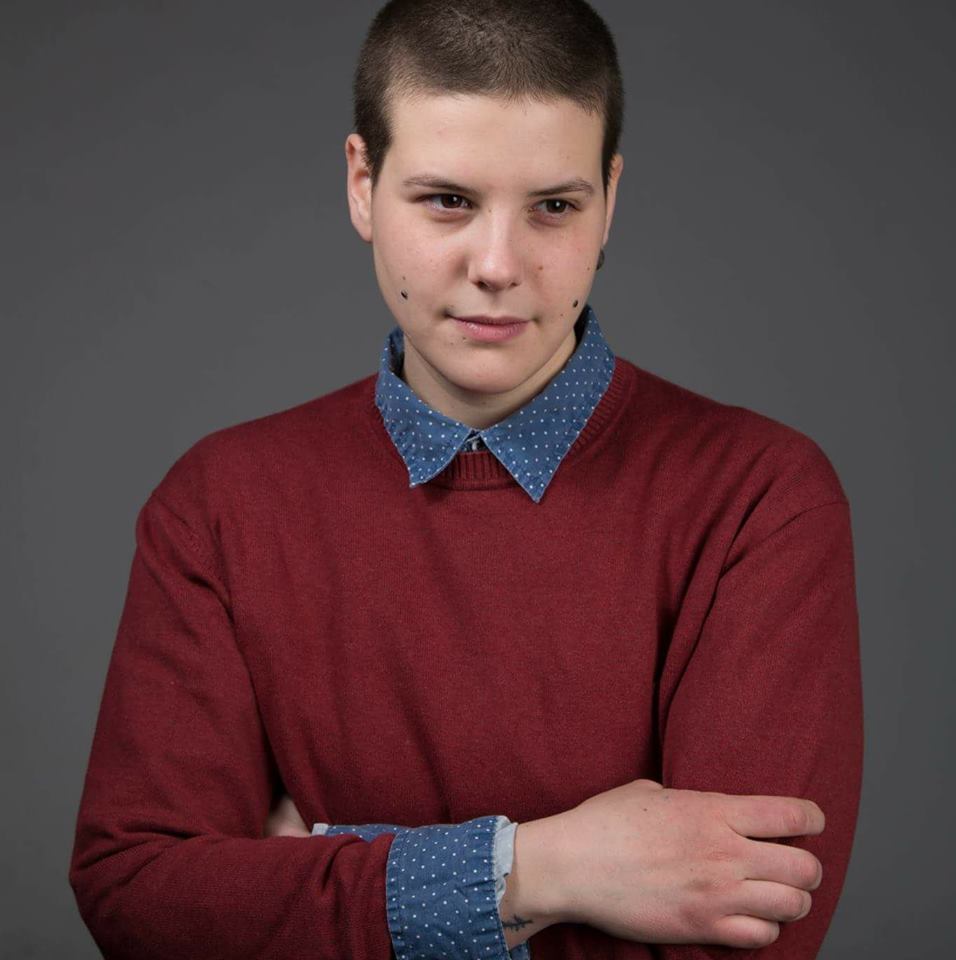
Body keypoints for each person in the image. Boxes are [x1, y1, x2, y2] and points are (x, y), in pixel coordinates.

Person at [69, 1, 863, 958]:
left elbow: (746, 935)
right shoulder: (218, 506)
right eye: (448, 200)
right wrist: (544, 870)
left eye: (554, 207)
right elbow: (141, 902)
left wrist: (323, 874)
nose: (498, 265)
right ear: (363, 185)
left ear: (610, 199)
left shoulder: (760, 498)